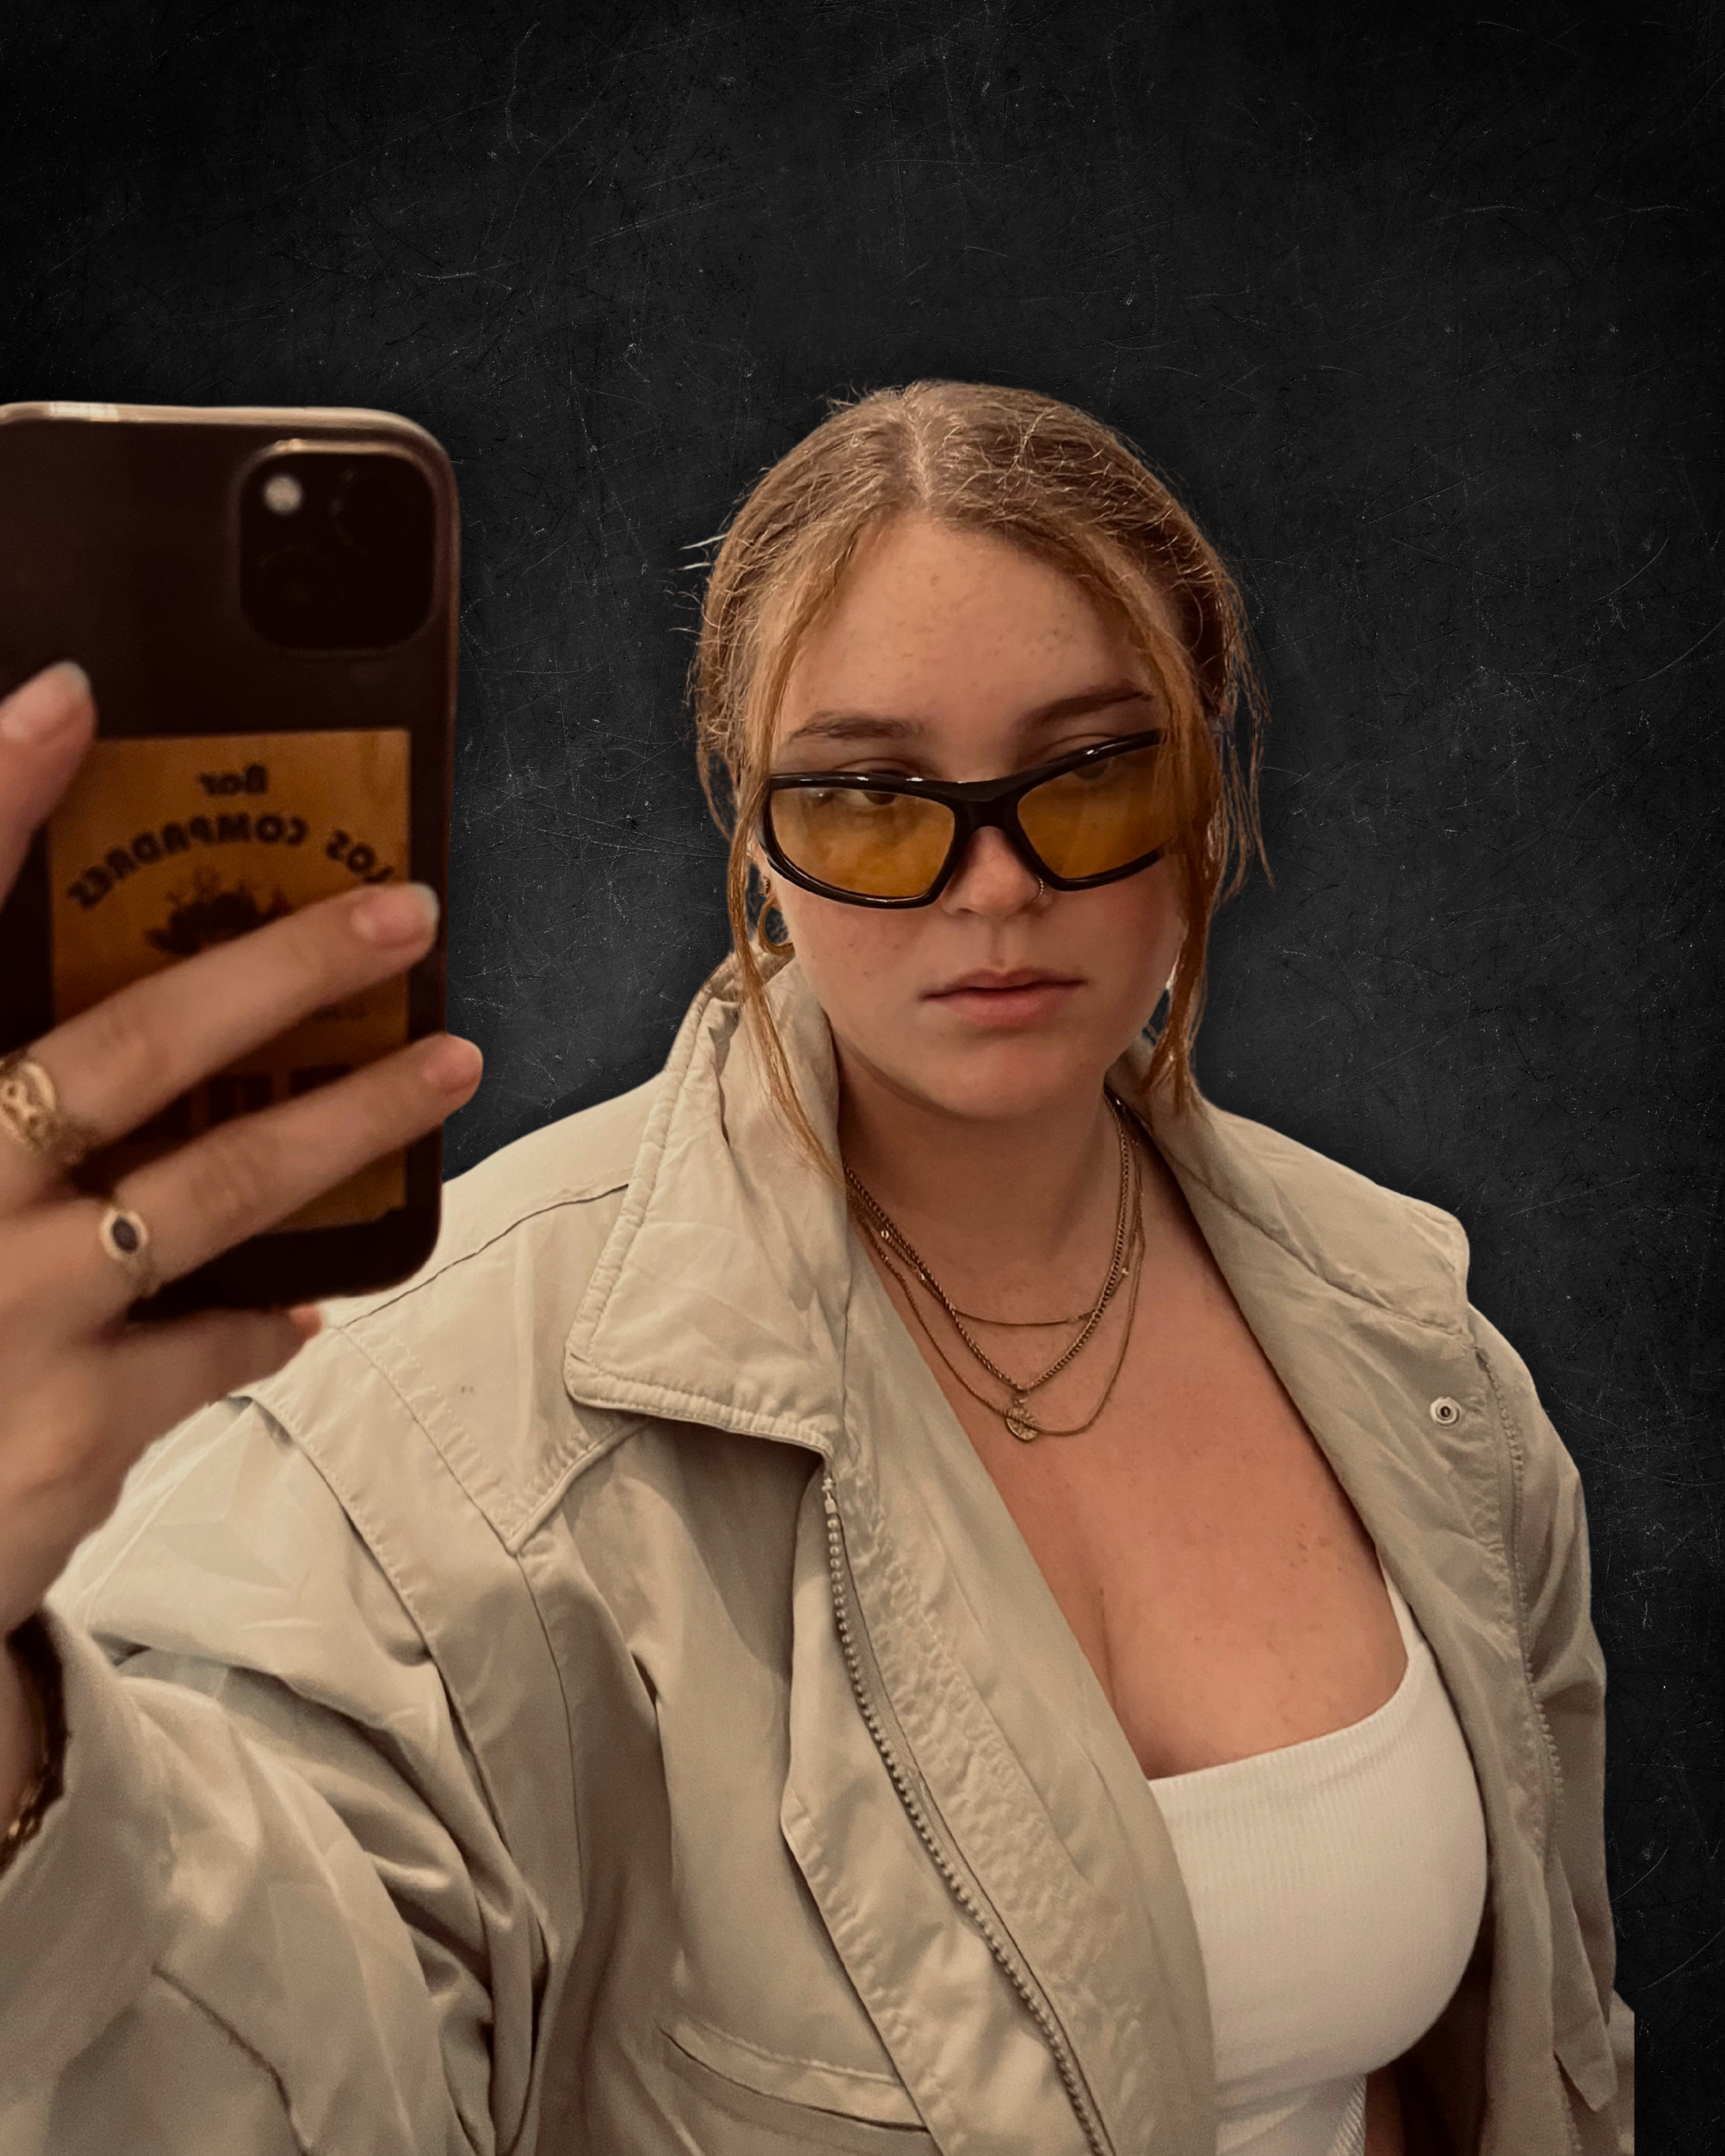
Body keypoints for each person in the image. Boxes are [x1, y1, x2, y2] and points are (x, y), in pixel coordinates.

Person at [0, 382, 1632, 2156]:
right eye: (867, 800)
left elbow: (1538, 2050)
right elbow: (247, 2068)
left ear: (1205, 787)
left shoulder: (1422, 1356)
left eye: (1088, 774)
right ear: (755, 840)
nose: (991, 885)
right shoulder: (430, 1424)